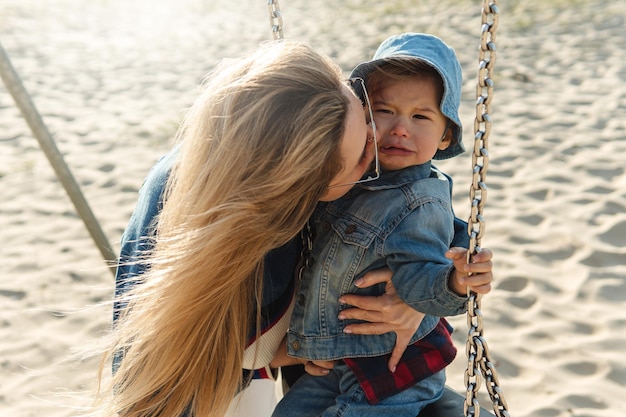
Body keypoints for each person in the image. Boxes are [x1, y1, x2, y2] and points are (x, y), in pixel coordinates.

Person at [92, 39, 493, 417]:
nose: (380, 144)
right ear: (305, 187)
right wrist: (298, 352)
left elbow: (429, 219)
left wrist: (420, 295)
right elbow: (232, 348)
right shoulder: (243, 232)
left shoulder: (299, 120)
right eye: (359, 156)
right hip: (200, 385)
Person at [272, 33, 490, 417]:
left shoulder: (418, 204)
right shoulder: (351, 174)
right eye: (384, 111)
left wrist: (455, 282)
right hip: (342, 356)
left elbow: (422, 277)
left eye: (420, 116)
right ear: (361, 115)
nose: (400, 128)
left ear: (445, 135)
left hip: (395, 369)